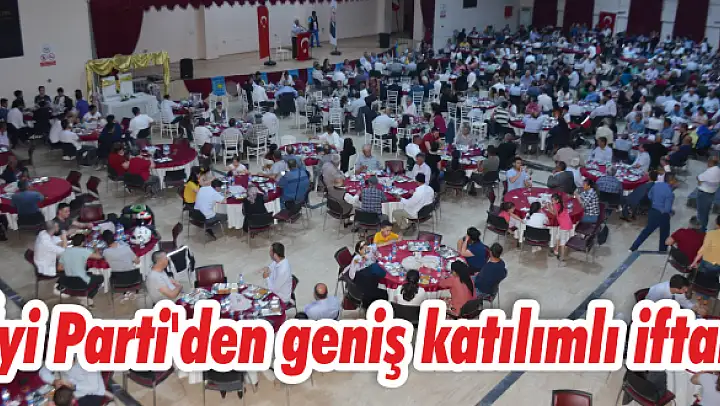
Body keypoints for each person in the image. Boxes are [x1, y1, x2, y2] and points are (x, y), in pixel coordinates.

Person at [629, 173, 677, 252]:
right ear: (671, 181)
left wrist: (655, 203)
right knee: (664, 233)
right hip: (662, 215)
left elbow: (649, 196)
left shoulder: (656, 185)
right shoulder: (670, 193)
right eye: (674, 180)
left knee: (646, 231)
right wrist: (671, 212)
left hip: (652, 211)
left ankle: (633, 247)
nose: (675, 182)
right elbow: (667, 209)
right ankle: (662, 251)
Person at [58, 234, 104, 306]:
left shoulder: (65, 252)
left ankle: (81, 296)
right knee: (101, 278)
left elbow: (59, 268)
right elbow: (99, 257)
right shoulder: (84, 251)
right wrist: (95, 248)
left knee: (89, 274)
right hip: (82, 282)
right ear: (82, 243)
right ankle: (89, 298)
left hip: (67, 282)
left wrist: (70, 267)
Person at [39, 360, 109, 406]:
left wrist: (75, 386)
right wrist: (54, 381)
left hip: (93, 394)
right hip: (69, 393)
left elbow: (94, 387)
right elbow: (43, 371)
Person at [343, 240, 388, 306]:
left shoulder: (369, 250)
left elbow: (377, 246)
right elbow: (352, 275)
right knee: (383, 294)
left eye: (366, 245)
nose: (366, 247)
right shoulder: (357, 259)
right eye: (363, 247)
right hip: (362, 280)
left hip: (370, 278)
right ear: (359, 250)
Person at [101, 230, 141, 300]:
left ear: (104, 241)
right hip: (133, 278)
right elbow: (137, 261)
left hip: (118, 281)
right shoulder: (126, 248)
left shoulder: (105, 252)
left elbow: (105, 261)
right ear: (114, 237)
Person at [696, 157, 720, 231]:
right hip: (711, 194)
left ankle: (701, 231)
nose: (707, 163)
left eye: (708, 161)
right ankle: (703, 228)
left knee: (701, 214)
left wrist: (700, 182)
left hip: (704, 194)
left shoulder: (710, 171)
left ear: (711, 162)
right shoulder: (718, 170)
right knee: (705, 213)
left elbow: (698, 178)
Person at [547, 193, 573, 260]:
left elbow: (555, 214)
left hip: (564, 225)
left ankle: (562, 256)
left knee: (562, 241)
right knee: (558, 236)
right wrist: (551, 206)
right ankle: (556, 251)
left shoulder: (556, 205)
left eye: (552, 201)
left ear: (557, 200)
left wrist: (549, 208)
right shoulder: (561, 204)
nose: (552, 202)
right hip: (568, 223)